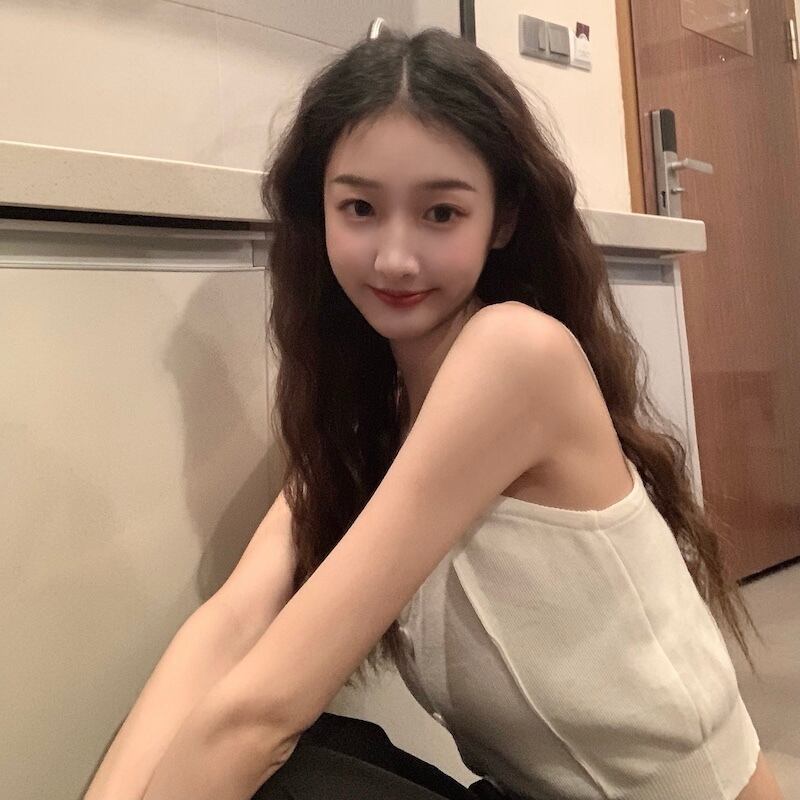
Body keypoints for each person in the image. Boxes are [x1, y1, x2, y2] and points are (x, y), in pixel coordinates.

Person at [85, 25, 785, 800]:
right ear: (321, 212)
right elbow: (231, 625)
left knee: (269, 761)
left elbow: (261, 715)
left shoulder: (514, 356)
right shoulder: (372, 414)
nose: (394, 257)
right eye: (359, 207)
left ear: (503, 219)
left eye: (441, 214)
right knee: (278, 752)